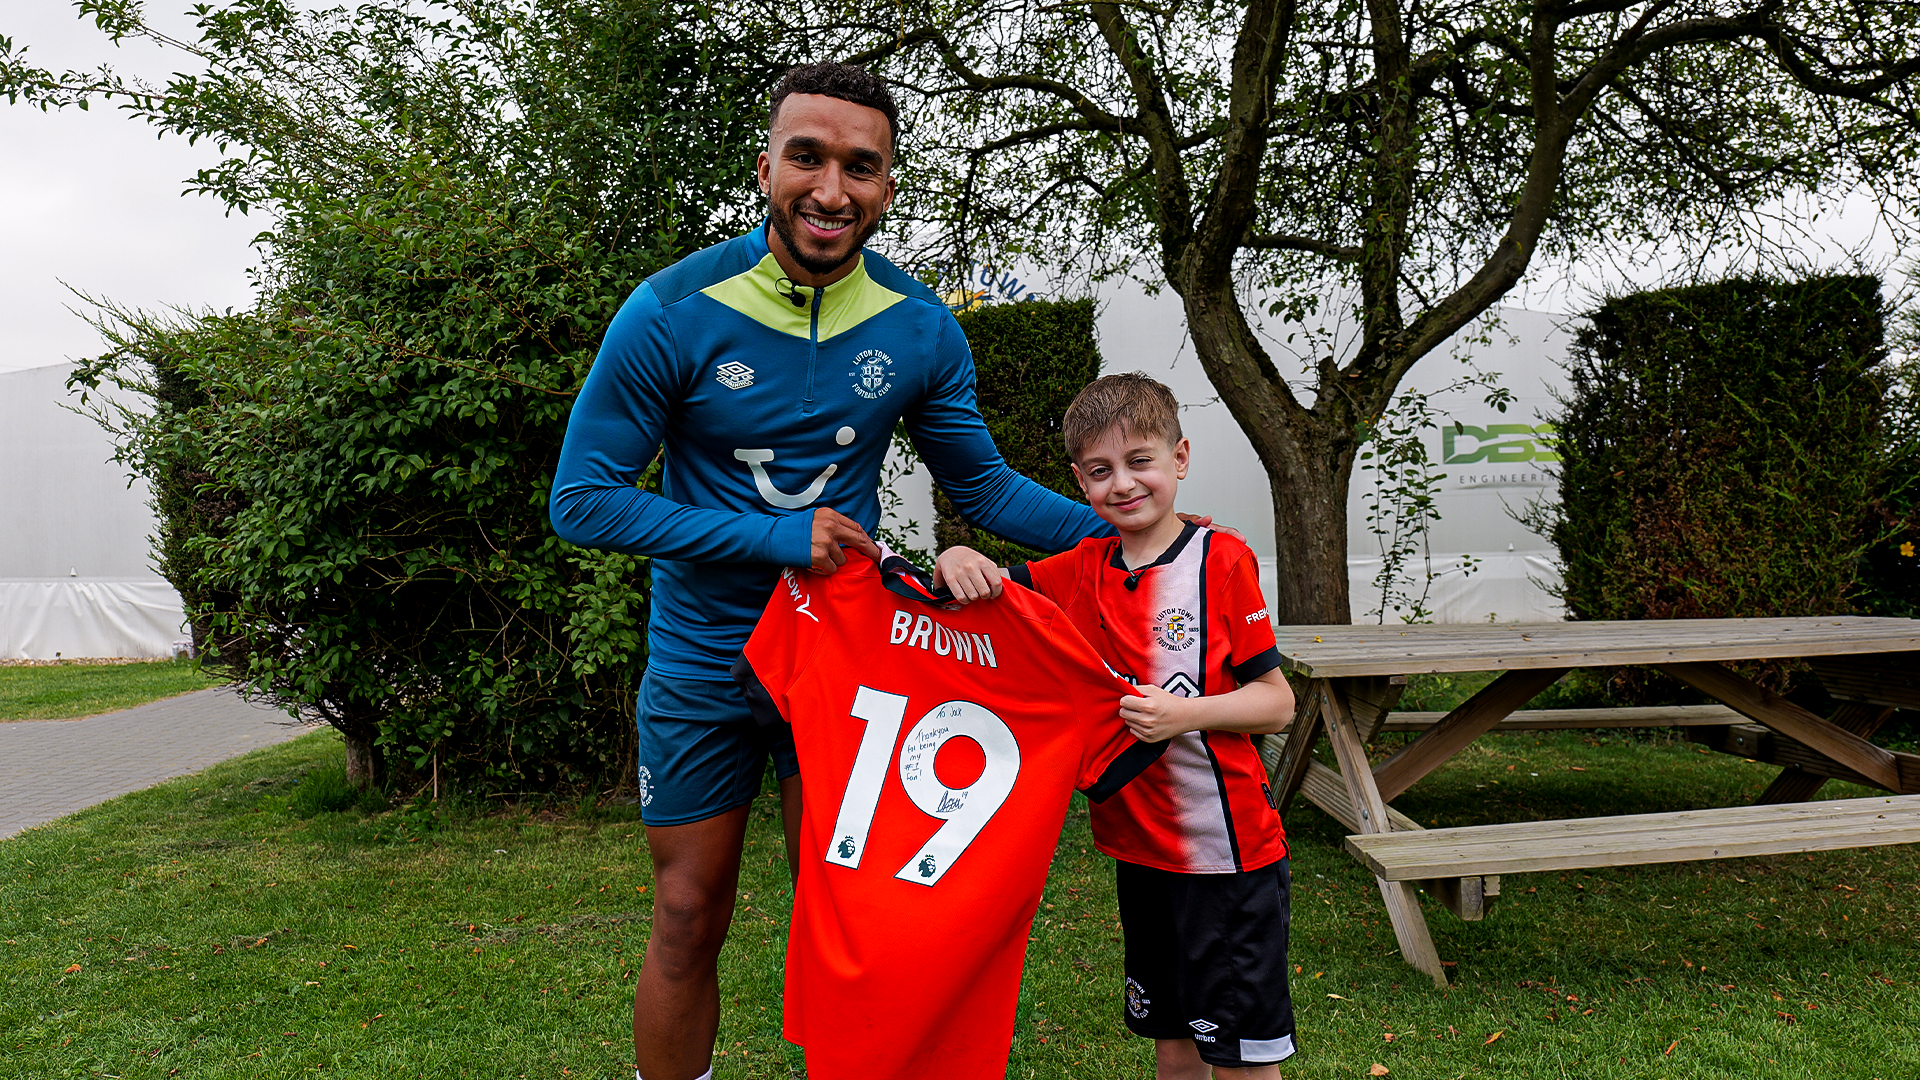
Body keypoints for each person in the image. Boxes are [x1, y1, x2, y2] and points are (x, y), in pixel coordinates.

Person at [547, 63, 1114, 1080]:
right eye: (807, 157)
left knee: (867, 926)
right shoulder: (672, 311)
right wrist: (776, 539)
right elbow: (582, 499)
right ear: (767, 166)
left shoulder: (918, 325)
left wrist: (1142, 538)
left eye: (861, 166)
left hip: (850, 668)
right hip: (704, 663)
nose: (830, 188)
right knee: (686, 914)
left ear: (887, 188)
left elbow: (983, 491)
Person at [936, 372, 1300, 1079]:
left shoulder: (1221, 559)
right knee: (1174, 1042)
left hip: (1224, 858)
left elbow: (1276, 702)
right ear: (1078, 479)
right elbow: (991, 595)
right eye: (1100, 472)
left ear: (1180, 458)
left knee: (1243, 1059)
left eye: (1141, 462)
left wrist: (1183, 715)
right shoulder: (1083, 566)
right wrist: (958, 556)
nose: (1123, 485)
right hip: (1140, 854)